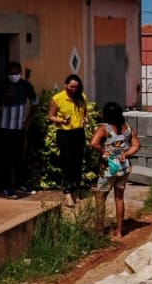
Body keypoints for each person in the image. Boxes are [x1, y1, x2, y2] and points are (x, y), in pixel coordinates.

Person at [90, 102, 140, 239]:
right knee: (119, 198)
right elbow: (137, 145)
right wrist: (126, 154)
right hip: (123, 168)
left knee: (100, 197)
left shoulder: (104, 128)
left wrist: (103, 152)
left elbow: (93, 143)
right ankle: (119, 232)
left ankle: (99, 230)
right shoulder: (128, 128)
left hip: (108, 169)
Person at [0, 61, 37, 199]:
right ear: (7, 74)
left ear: (21, 73)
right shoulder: (1, 86)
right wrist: (5, 98)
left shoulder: (26, 86)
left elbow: (35, 102)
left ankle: (21, 184)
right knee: (5, 158)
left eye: (17, 73)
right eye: (12, 73)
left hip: (19, 128)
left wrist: (28, 121)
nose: (14, 76)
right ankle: (6, 187)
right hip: (4, 128)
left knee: (19, 157)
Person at [48, 74, 89, 206]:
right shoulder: (57, 98)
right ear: (65, 85)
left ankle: (75, 188)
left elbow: (85, 113)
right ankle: (66, 191)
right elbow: (51, 116)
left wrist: (85, 119)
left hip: (78, 132)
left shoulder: (82, 97)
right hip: (64, 133)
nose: (74, 89)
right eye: (71, 86)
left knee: (77, 162)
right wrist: (62, 120)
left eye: (76, 87)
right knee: (67, 162)